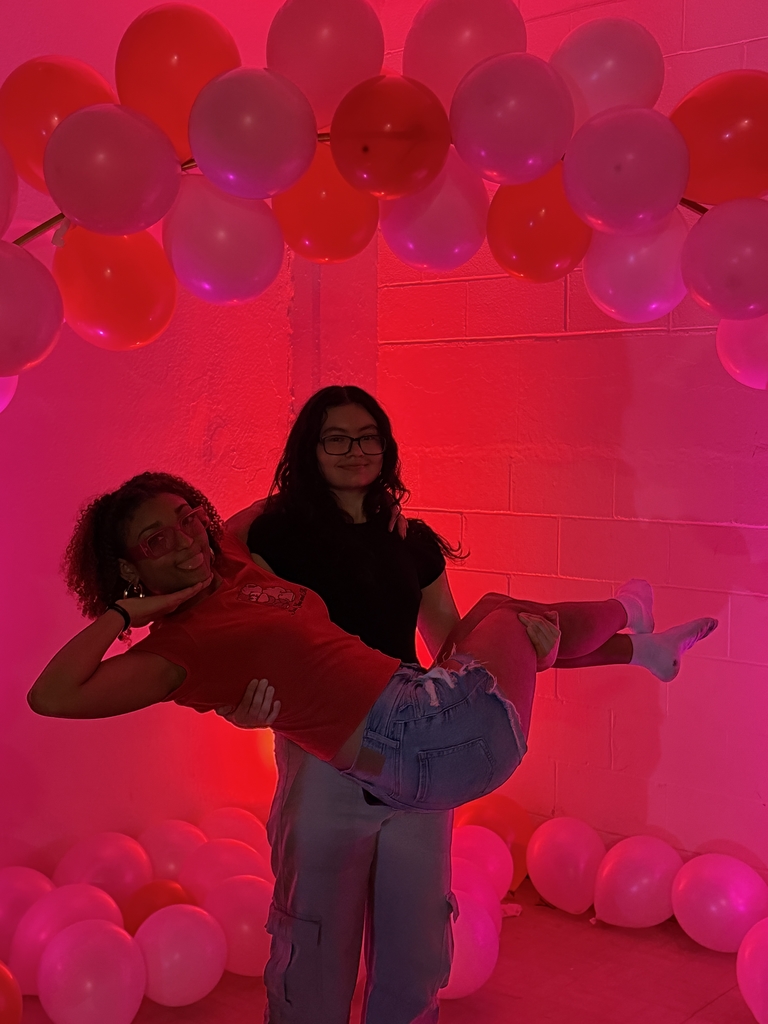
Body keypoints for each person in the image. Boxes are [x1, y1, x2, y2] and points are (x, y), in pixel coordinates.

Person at [224, 386, 466, 1024]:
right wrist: (275, 501)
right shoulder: (279, 535)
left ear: (386, 446)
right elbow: (218, 550)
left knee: (418, 942)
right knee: (313, 941)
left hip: (414, 747)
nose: (355, 451)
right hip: (323, 747)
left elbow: (449, 637)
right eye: (336, 438)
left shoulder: (412, 540)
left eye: (368, 438)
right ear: (310, 448)